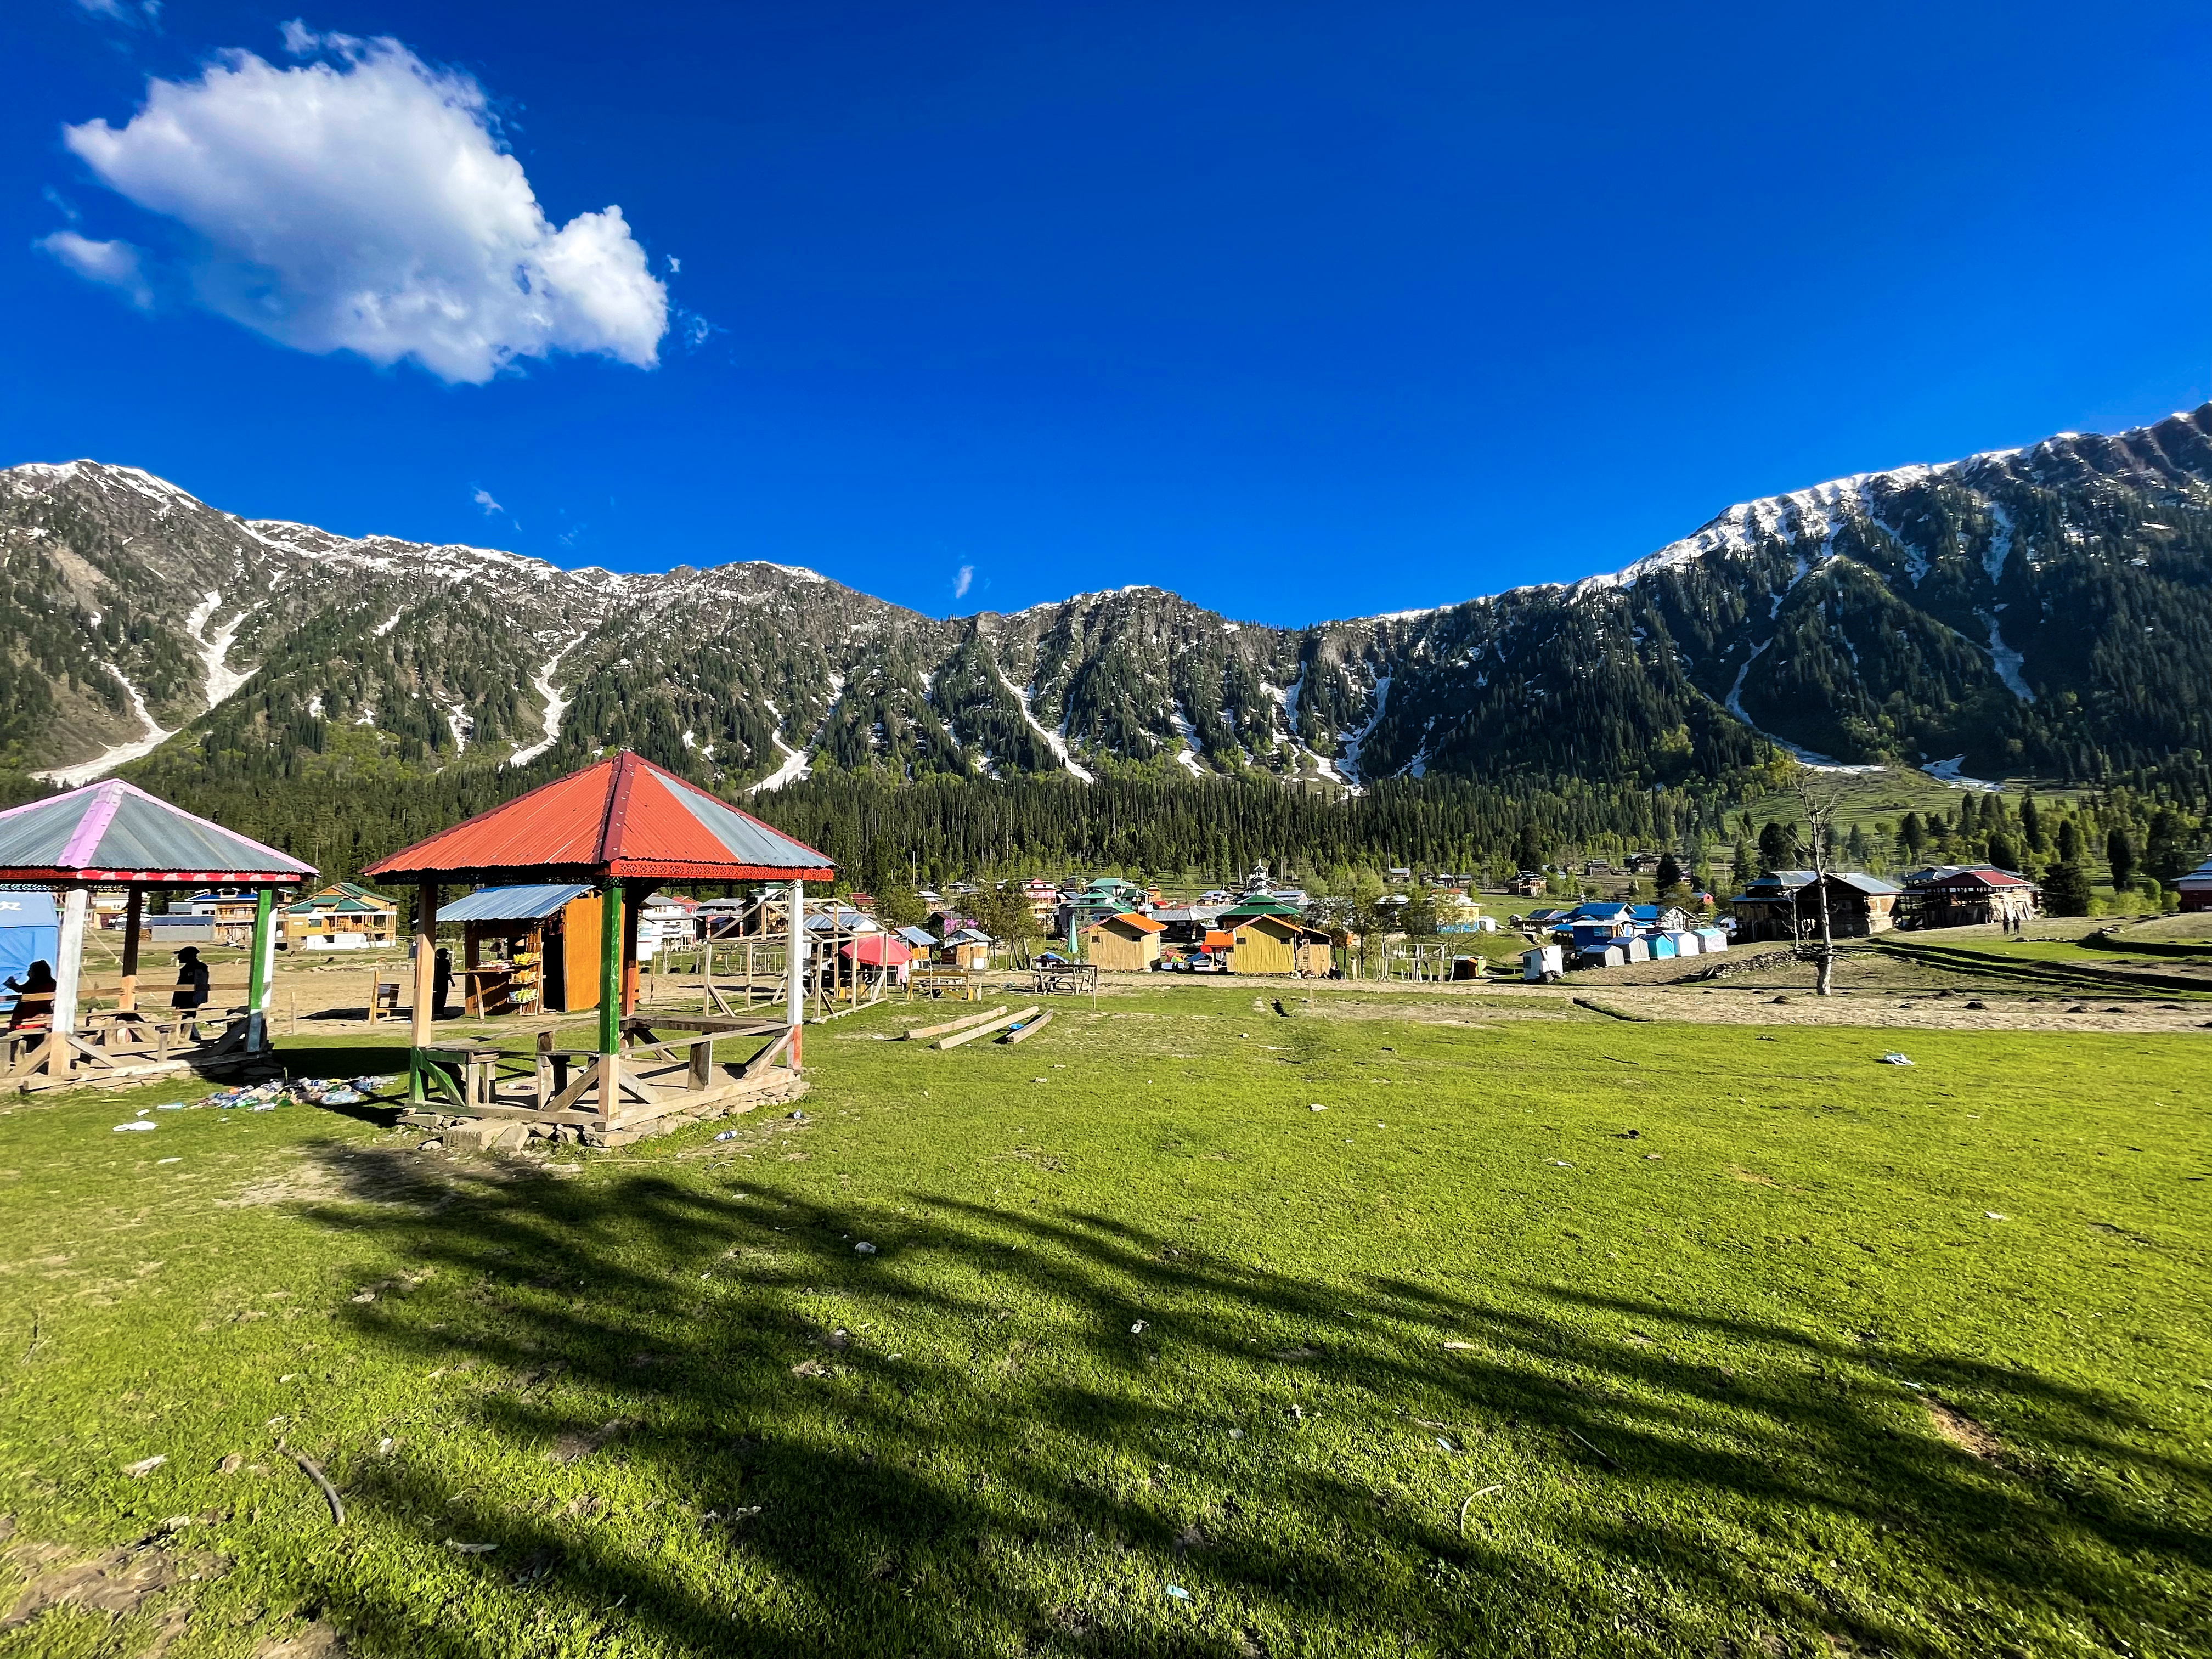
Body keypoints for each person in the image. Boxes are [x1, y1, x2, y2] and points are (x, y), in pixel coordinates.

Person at [5, 959, 56, 1030]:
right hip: (42, 1015)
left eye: (30, 970)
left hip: (26, 1016)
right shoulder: (52, 983)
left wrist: (10, 983)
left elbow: (19, 989)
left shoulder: (33, 984)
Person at [172, 946, 212, 1035]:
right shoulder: (191, 968)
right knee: (185, 1017)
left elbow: (196, 984)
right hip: (188, 998)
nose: (179, 957)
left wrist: (195, 998)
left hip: (190, 998)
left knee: (187, 1017)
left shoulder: (196, 968)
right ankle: (188, 1034)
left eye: (182, 955)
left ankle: (190, 1035)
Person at [433, 947, 453, 1019]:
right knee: (442, 996)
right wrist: (452, 981)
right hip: (442, 981)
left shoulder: (435, 962)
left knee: (440, 996)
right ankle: (439, 1012)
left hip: (438, 981)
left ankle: (438, 1011)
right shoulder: (446, 962)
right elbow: (448, 973)